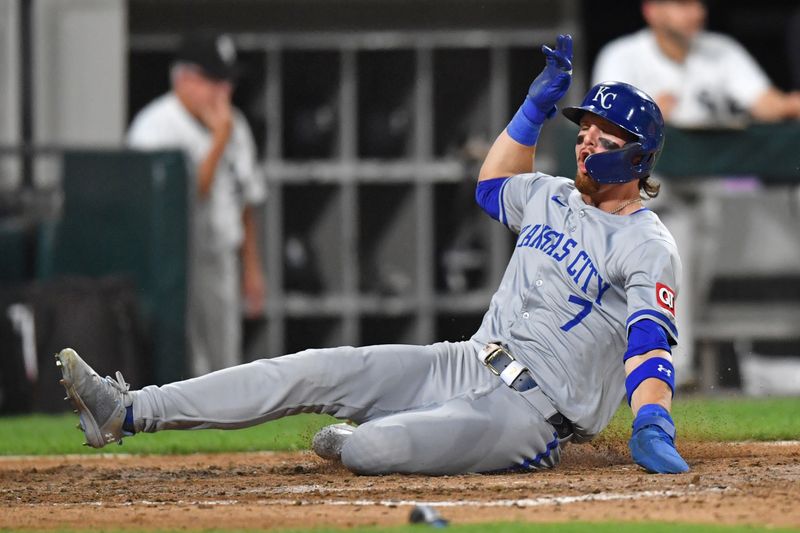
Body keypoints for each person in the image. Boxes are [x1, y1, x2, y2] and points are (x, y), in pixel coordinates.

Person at [57, 34, 689, 475]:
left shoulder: (646, 244)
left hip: (532, 414)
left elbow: (648, 344)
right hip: (463, 361)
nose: (585, 145)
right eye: (582, 132)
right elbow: (492, 185)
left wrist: (651, 423)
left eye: (604, 138)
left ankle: (403, 433)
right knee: (309, 369)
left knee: (367, 452)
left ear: (638, 157)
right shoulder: (553, 195)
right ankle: (130, 409)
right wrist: (532, 108)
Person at [127, 32, 266, 376]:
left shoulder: (235, 124)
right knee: (185, 360)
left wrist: (251, 268)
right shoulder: (154, 127)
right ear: (185, 78)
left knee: (226, 358)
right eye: (215, 80)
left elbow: (245, 200)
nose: (224, 91)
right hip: (172, 263)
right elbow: (177, 205)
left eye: (228, 81)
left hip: (220, 256)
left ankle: (224, 427)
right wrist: (218, 141)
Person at [592, 0, 800, 128]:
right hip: (649, 182)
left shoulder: (723, 49)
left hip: (715, 179)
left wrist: (787, 105)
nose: (697, 12)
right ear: (651, 10)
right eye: (683, 3)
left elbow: (764, 102)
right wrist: (642, 117)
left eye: (698, 3)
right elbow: (602, 125)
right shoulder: (620, 55)